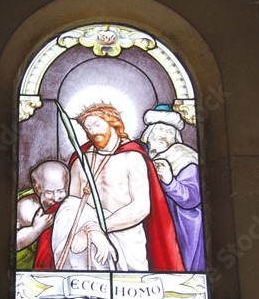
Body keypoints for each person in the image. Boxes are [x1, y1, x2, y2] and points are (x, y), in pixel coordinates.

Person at [50, 103, 184, 272]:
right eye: (87, 127)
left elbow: (141, 208)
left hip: (126, 239)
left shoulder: (133, 158)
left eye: (97, 124)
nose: (92, 131)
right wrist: (88, 231)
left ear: (113, 122)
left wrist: (95, 228)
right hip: (83, 245)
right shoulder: (80, 162)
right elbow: (71, 208)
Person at [141, 104, 205, 272]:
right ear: (149, 134)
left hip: (180, 228)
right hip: (151, 223)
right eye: (159, 130)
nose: (163, 136)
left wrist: (170, 182)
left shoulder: (184, 158)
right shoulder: (142, 155)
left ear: (176, 137)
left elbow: (192, 198)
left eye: (169, 132)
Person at [16, 160, 69, 270]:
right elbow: (12, 243)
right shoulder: (26, 207)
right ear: (37, 188)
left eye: (61, 190)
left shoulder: (68, 203)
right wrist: (35, 230)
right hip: (25, 269)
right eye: (49, 192)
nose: (56, 198)